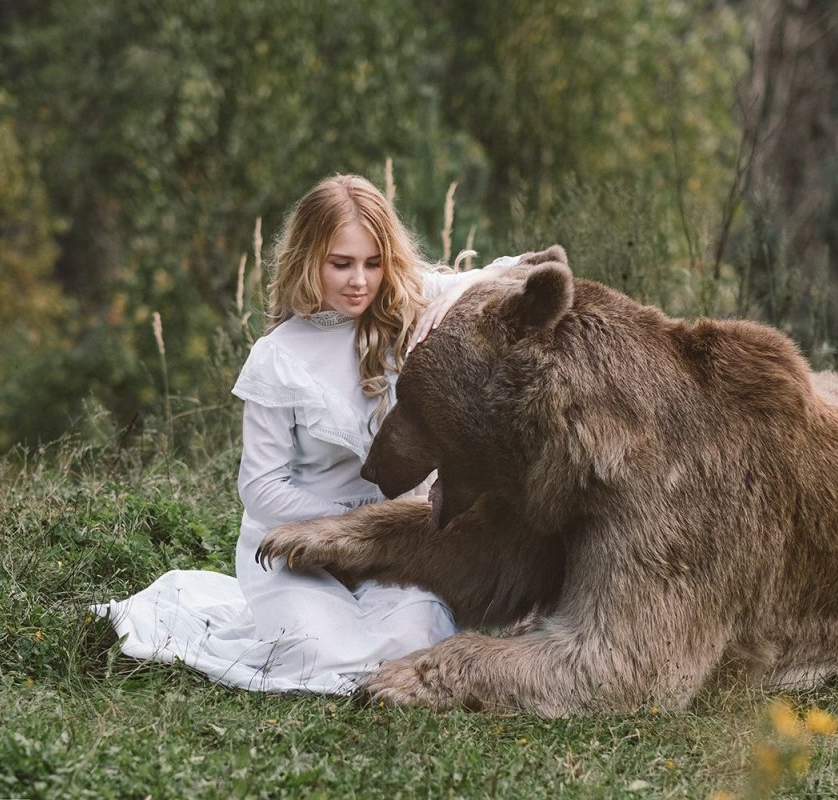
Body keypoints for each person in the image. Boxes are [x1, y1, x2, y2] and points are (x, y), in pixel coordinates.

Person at [94, 174, 519, 693]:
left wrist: (460, 295)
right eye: (341, 264)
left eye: (372, 263)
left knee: (419, 641)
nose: (359, 281)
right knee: (317, 654)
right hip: (296, 546)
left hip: (390, 545)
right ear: (308, 260)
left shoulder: (407, 310)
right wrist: (352, 524)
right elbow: (260, 489)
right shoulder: (279, 357)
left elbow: (503, 278)